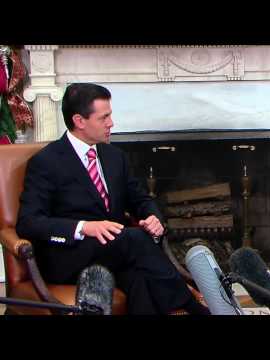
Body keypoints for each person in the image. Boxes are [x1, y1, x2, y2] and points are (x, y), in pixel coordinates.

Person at [16, 83, 209, 315]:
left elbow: (140, 198)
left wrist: (152, 217)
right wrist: (84, 227)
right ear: (79, 121)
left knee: (139, 280)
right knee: (135, 238)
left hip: (114, 254)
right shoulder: (46, 162)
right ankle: (194, 306)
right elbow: (29, 222)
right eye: (104, 117)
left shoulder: (115, 157)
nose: (111, 123)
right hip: (68, 256)